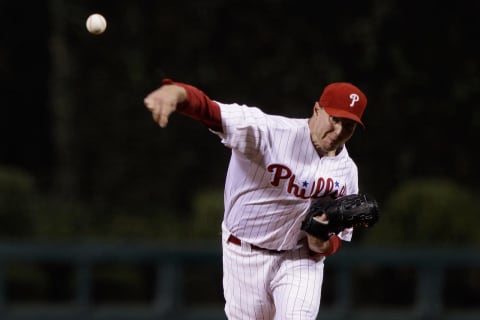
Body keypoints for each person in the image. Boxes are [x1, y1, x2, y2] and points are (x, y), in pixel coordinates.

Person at [143, 78, 368, 319]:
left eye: (349, 126)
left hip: (298, 258)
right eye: (335, 120)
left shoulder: (346, 172)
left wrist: (322, 244)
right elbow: (211, 111)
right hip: (244, 254)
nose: (339, 132)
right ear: (317, 110)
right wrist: (176, 92)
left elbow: (336, 240)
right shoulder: (267, 132)